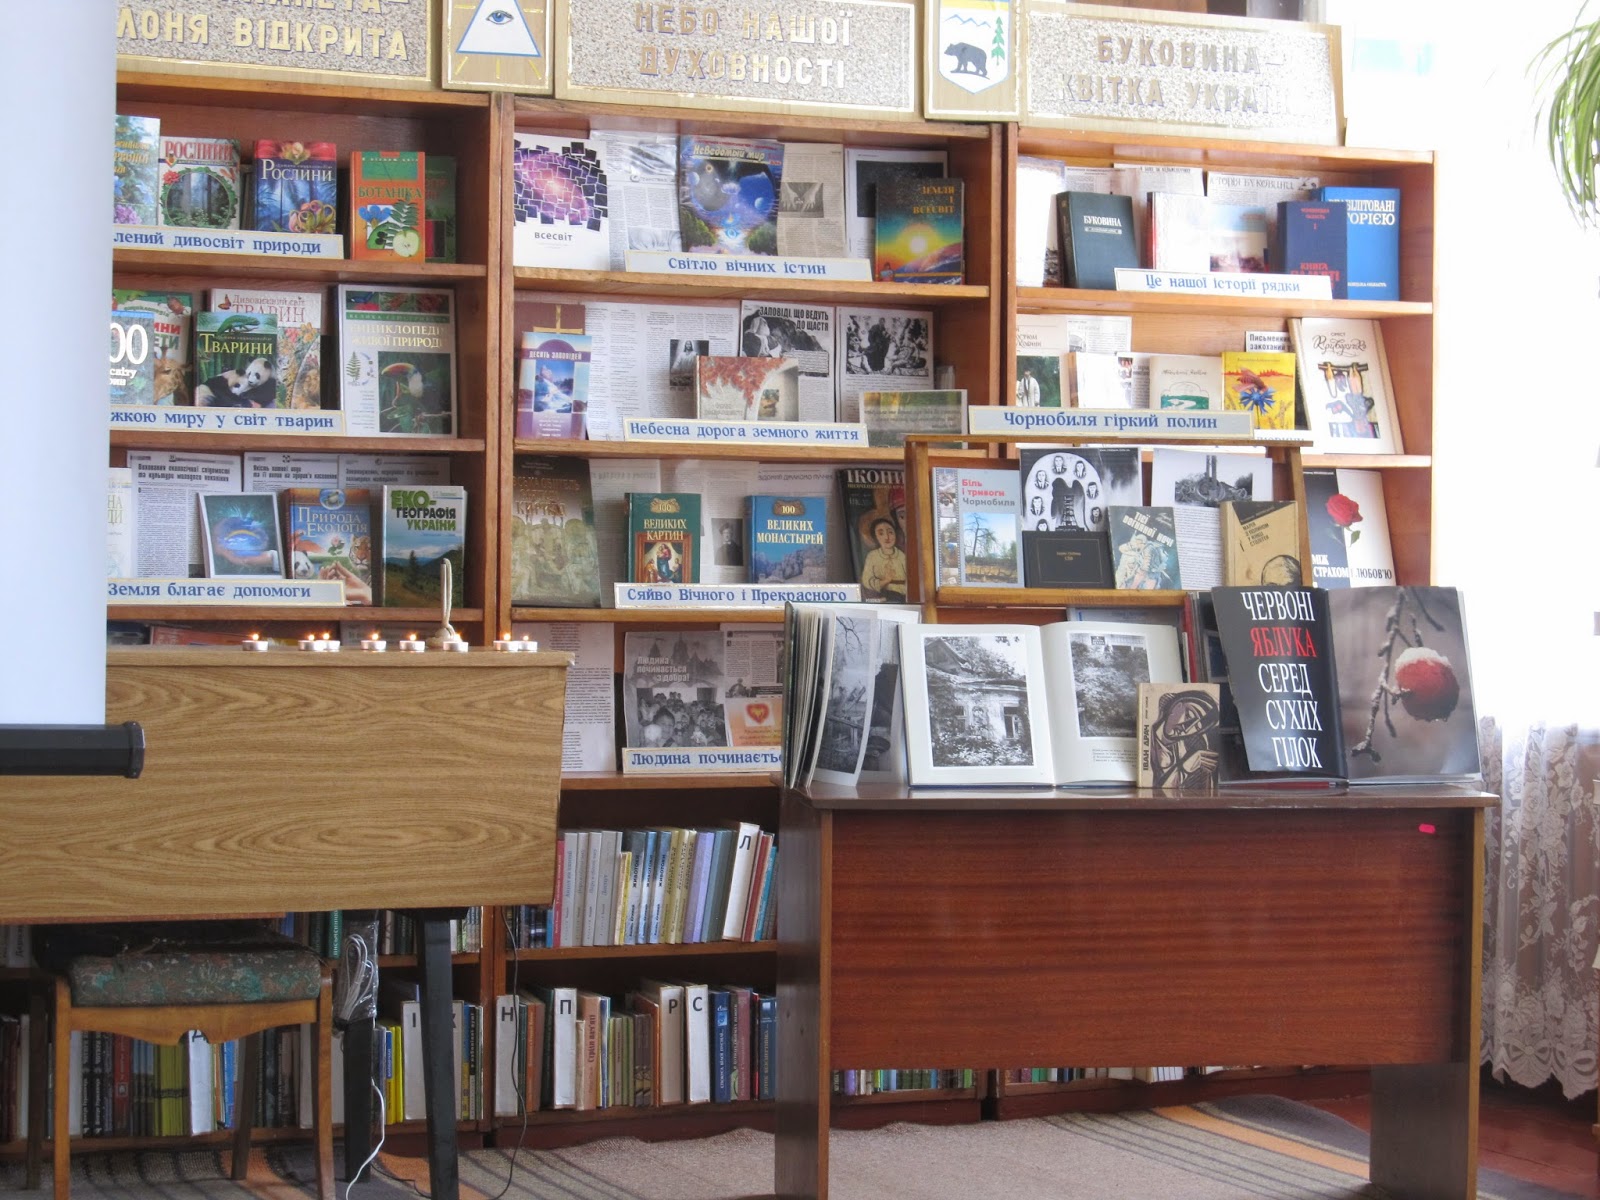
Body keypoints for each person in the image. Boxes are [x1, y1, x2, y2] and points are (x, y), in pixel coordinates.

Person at [859, 517, 908, 602]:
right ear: (875, 537)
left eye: (890, 532)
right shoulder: (872, 556)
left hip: (903, 596)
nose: (887, 537)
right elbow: (867, 580)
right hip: (881, 596)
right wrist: (885, 581)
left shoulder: (901, 555)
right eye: (881, 533)